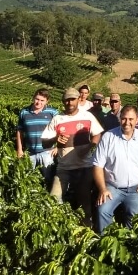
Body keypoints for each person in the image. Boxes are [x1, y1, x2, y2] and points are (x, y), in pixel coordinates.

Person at [41, 87, 103, 228]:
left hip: (84, 167)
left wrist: (89, 147)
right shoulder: (57, 119)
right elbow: (44, 142)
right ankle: (57, 229)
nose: (69, 103)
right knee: (53, 199)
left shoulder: (87, 116)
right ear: (63, 102)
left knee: (84, 202)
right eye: (66, 100)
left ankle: (86, 231)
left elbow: (97, 134)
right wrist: (56, 139)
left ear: (78, 99)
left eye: (72, 99)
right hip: (64, 168)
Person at [92, 105, 138, 234]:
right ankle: (107, 241)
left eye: (130, 119)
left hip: (135, 189)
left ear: (136, 120)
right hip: (113, 187)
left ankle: (129, 244)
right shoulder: (108, 137)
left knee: (133, 220)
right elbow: (97, 165)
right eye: (124, 119)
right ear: (119, 118)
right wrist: (103, 189)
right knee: (103, 211)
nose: (127, 122)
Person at [15, 88, 59, 184]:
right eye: (37, 99)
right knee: (28, 179)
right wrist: (19, 149)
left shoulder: (53, 112)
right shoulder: (24, 112)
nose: (39, 102)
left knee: (47, 179)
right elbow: (19, 131)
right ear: (33, 98)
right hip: (30, 152)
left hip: (47, 152)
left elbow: (61, 129)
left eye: (42, 100)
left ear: (47, 101)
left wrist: (58, 147)